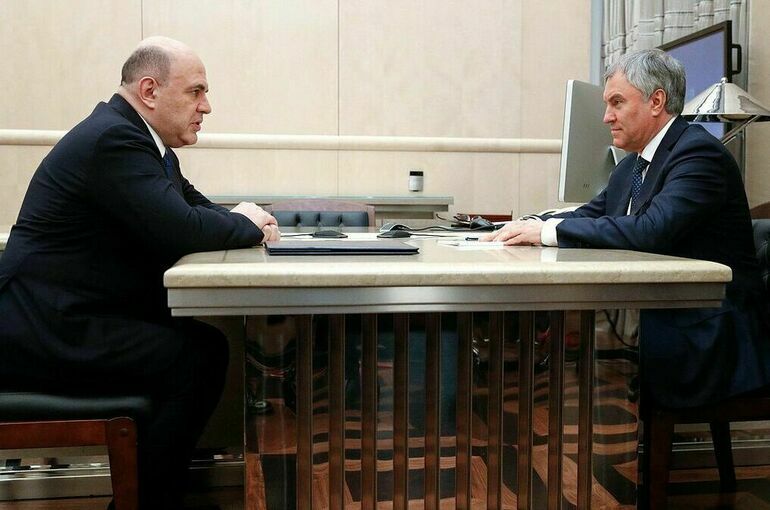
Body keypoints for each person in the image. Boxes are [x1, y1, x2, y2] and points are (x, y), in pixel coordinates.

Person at [0, 36, 280, 508]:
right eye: (195, 91)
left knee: (201, 348)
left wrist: (246, 221)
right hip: (40, 329)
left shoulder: (143, 142)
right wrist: (248, 224)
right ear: (150, 91)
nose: (206, 106)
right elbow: (183, 228)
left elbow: (195, 209)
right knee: (199, 356)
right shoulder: (115, 139)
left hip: (65, 317)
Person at [484, 49, 770, 409]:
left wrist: (545, 233)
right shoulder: (632, 166)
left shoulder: (699, 154)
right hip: (660, 314)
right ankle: (554, 428)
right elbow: (589, 215)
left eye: (617, 103)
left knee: (574, 335)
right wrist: (528, 227)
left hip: (706, 333)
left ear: (656, 101)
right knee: (564, 329)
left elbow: (651, 230)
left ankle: (574, 433)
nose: (606, 117)